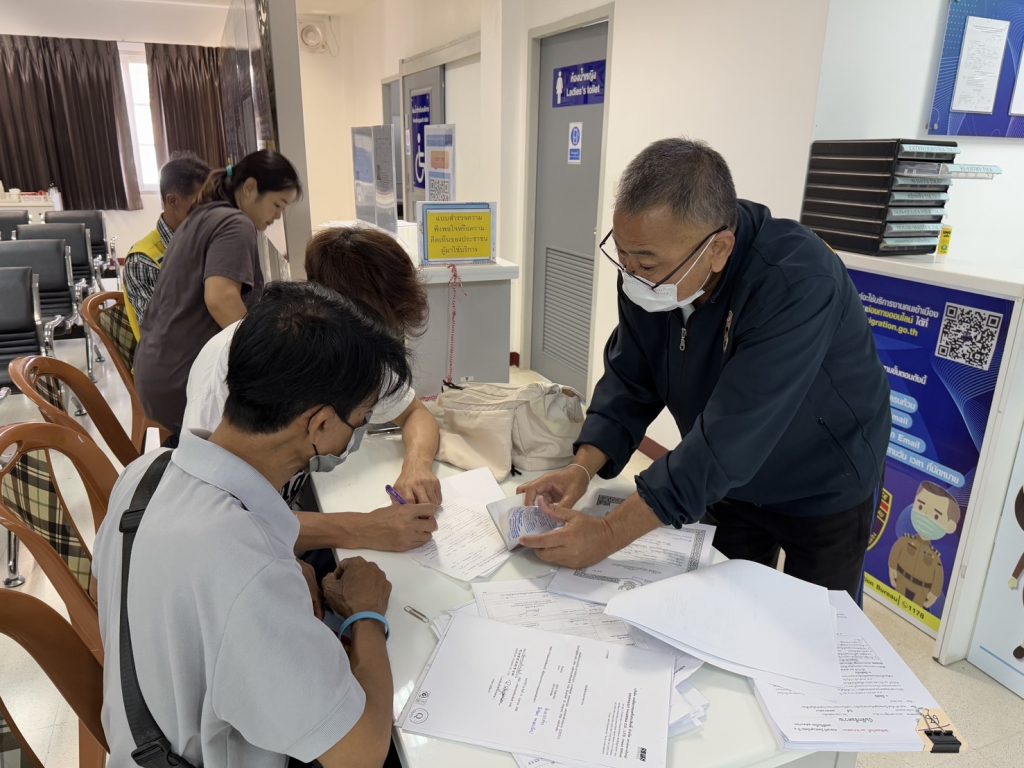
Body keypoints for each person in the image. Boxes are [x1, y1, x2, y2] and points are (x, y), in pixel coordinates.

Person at [518, 138, 890, 602]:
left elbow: (735, 433)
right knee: (724, 607)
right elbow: (631, 377)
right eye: (624, 258)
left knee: (812, 623)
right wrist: (581, 467)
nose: (632, 274)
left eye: (645, 263)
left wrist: (609, 534)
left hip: (823, 481)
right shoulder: (651, 266)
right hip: (727, 482)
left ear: (718, 249)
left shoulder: (796, 279)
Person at [94, 281, 410, 767]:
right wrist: (367, 615)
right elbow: (361, 755)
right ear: (321, 425)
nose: (358, 433)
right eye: (361, 419)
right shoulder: (246, 565)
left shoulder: (144, 474)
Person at [183, 226, 441, 555]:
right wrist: (364, 528)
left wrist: (417, 466)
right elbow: (228, 524)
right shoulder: (235, 369)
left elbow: (414, 412)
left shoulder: (355, 350)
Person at [133, 149, 302, 435]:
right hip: (184, 383)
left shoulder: (201, 216)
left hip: (157, 376)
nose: (277, 216)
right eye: (277, 204)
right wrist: (264, 356)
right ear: (250, 188)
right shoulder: (236, 224)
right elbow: (220, 299)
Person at [121, 152, 211, 339]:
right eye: (200, 204)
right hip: (176, 354)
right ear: (172, 201)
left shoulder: (203, 240)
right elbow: (161, 333)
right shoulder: (143, 260)